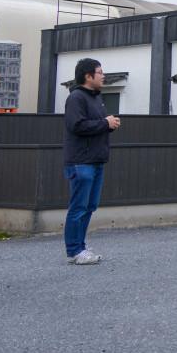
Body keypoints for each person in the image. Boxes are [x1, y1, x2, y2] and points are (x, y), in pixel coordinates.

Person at [62, 58, 120, 264]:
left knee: (89, 206)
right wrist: (105, 123)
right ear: (88, 76)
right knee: (78, 207)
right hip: (81, 161)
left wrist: (108, 125)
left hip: (96, 160)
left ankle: (80, 246)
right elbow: (77, 126)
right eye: (100, 72)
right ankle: (74, 250)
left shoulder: (96, 98)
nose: (103, 76)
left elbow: (94, 125)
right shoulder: (76, 97)